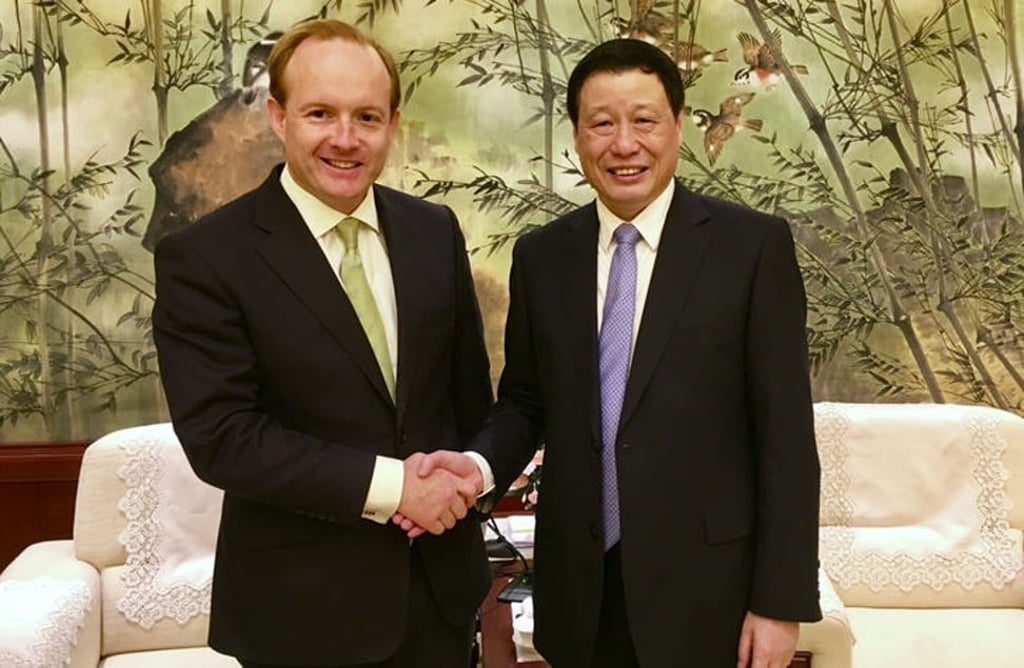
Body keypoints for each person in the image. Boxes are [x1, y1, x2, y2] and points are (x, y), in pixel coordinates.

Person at [412, 38, 822, 667]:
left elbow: (786, 438)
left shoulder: (751, 249)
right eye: (602, 123)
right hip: (581, 589)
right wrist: (477, 466)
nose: (624, 144)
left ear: (678, 127)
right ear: (578, 136)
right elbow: (525, 400)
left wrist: (780, 603)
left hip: (709, 591)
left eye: (645, 120)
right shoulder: (542, 256)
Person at [151, 19, 493, 668]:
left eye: (366, 116)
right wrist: (398, 488)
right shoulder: (205, 258)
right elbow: (222, 436)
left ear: (393, 123)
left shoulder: (433, 232)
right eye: (320, 113)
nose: (345, 138)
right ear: (278, 117)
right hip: (300, 622)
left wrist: (458, 485)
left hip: (439, 602)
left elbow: (467, 400)